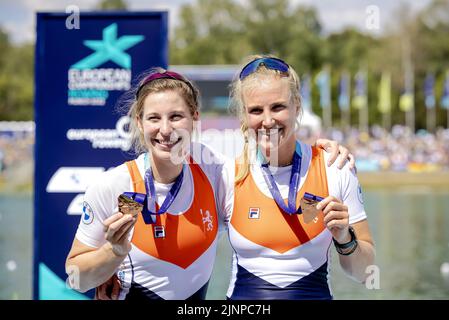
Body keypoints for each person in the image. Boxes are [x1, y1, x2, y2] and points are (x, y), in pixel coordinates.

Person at [66, 67, 354, 300]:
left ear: (195, 118)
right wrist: (111, 254)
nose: (165, 130)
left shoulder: (214, 171)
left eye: (176, 116)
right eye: (154, 118)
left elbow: (274, 172)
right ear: (139, 123)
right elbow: (76, 279)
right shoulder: (116, 186)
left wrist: (321, 152)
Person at [221, 55, 375, 300]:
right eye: (256, 110)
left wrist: (345, 238)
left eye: (278, 107)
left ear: (297, 106)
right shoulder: (227, 175)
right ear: (244, 115)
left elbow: (366, 274)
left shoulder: (335, 167)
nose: (268, 120)